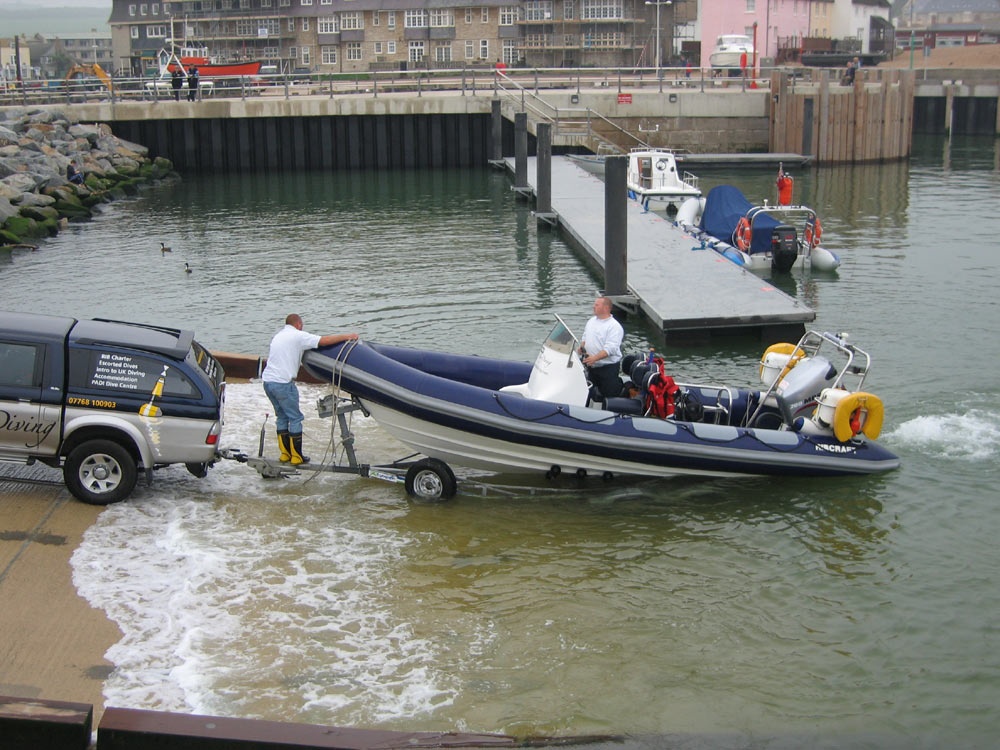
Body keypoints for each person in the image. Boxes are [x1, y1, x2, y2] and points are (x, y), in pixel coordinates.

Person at [262, 314, 359, 465]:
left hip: (268, 381)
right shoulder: (298, 336)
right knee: (295, 418)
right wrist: (347, 336)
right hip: (283, 383)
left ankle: (285, 455)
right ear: (299, 324)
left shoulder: (279, 335)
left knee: (281, 417)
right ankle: (296, 456)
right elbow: (323, 341)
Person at [577, 296, 625, 399]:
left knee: (609, 395)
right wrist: (582, 347)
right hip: (592, 366)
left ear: (606, 308)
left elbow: (610, 349)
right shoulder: (591, 321)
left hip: (607, 368)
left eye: (597, 305)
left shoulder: (614, 327)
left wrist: (595, 358)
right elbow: (585, 336)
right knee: (589, 392)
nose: (593, 307)